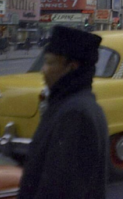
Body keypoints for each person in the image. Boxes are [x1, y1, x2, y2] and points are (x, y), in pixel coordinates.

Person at [18, 25, 109, 199]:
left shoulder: (75, 113)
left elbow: (60, 188)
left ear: (71, 67)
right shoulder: (68, 105)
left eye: (50, 63)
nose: (43, 70)